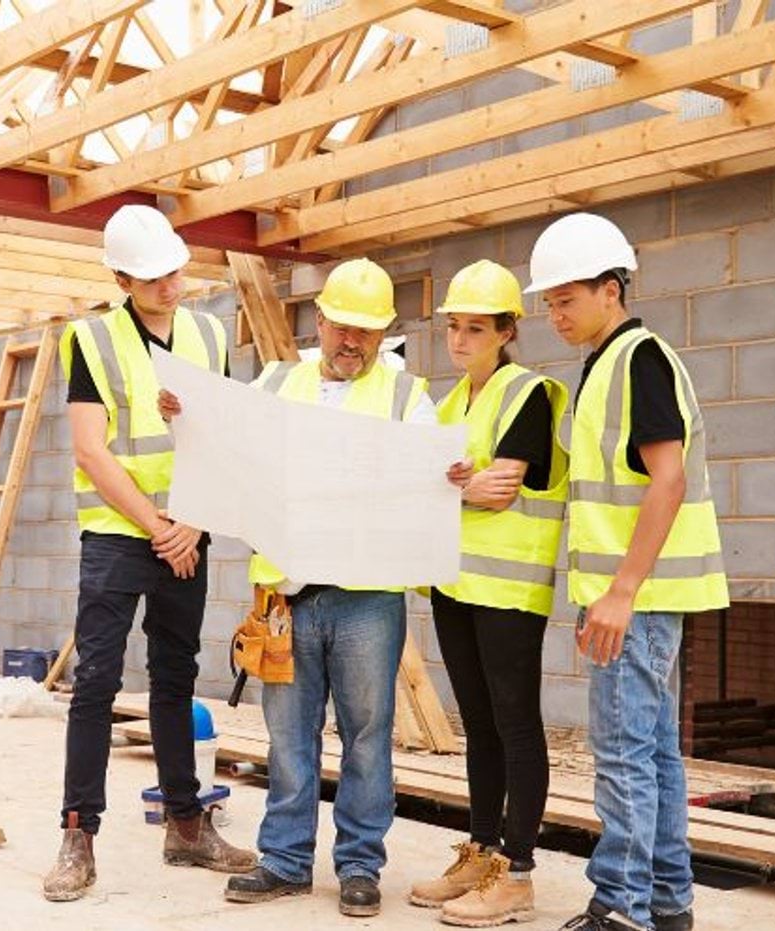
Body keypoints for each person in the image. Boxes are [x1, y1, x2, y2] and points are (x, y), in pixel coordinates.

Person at [166, 258, 435, 917]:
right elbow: (227, 449)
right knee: (288, 736)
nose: (352, 342)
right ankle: (285, 860)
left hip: (367, 597)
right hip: (286, 596)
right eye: (342, 327)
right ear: (320, 320)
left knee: (367, 735)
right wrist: (183, 419)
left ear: (383, 333)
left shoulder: (406, 398)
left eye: (366, 332)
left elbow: (431, 478)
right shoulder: (277, 383)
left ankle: (359, 865)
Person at [42, 204, 256, 902]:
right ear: (121, 280)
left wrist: (190, 523)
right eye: (154, 276)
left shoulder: (208, 333)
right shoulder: (91, 339)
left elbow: (222, 436)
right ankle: (79, 835)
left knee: (175, 678)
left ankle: (185, 825)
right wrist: (158, 525)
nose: (171, 285)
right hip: (118, 533)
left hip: (186, 532)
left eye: (175, 271)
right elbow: (90, 448)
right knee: (97, 683)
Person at [527, 214, 728, 931]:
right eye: (549, 303)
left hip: (635, 597)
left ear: (610, 290)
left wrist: (619, 592)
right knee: (652, 752)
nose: (555, 315)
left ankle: (620, 906)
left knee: (621, 754)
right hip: (635, 594)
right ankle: (667, 902)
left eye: (566, 300)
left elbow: (668, 479)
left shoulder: (639, 360)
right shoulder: (607, 363)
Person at [407, 259, 569, 927]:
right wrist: (453, 485)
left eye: (477, 327)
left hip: (509, 589)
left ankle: (517, 873)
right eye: (454, 327)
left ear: (507, 332)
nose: (461, 339)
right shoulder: (449, 404)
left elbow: (500, 489)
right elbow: (423, 485)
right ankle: (481, 852)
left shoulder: (528, 393)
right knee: (477, 725)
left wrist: (450, 486)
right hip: (456, 583)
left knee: (515, 723)